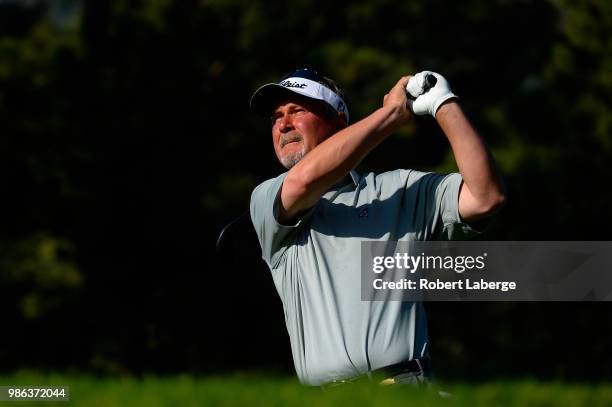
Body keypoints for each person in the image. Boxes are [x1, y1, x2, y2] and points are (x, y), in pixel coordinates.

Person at [248, 68, 505, 387]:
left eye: (298, 111)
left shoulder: (398, 189)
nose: (283, 124)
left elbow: (485, 196)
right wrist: (390, 116)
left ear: (338, 122)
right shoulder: (265, 198)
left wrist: (444, 104)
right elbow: (303, 182)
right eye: (276, 116)